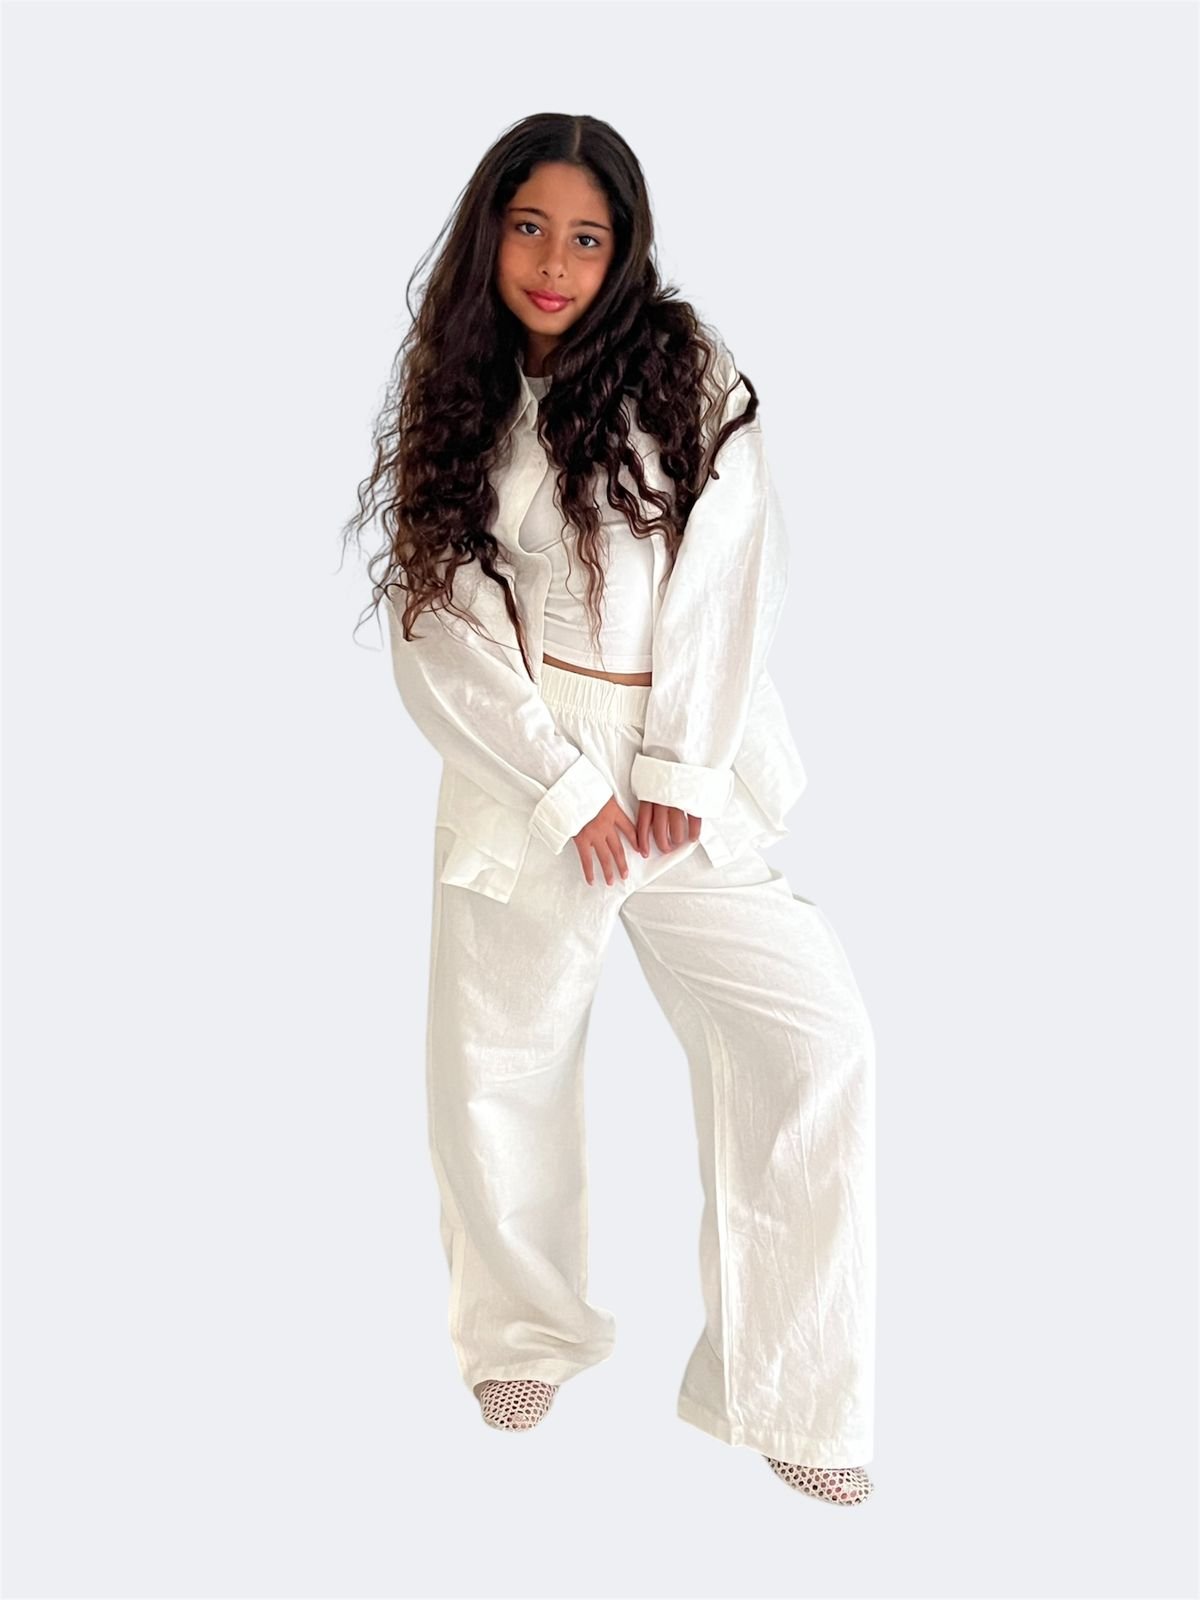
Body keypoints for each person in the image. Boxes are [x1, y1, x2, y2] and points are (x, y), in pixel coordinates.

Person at [343, 113, 877, 1507]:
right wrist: (565, 788)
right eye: (530, 227)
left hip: (685, 758)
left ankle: (788, 1390)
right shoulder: (455, 392)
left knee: (812, 1038)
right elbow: (438, 628)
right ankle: (521, 1333)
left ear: (625, 248)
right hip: (529, 762)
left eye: (587, 237)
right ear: (490, 231)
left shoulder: (688, 371)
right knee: (497, 1059)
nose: (554, 262)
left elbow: (732, 569)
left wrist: (678, 772)